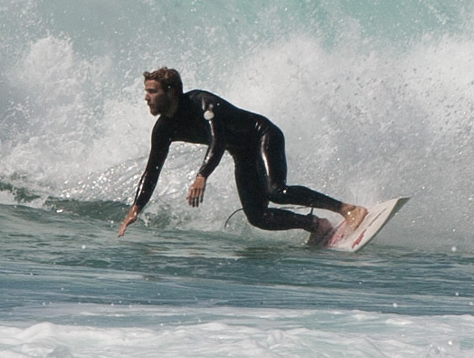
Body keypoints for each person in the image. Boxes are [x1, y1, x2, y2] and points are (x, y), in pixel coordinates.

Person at [117, 67, 365, 241]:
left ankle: (347, 209)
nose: (146, 98)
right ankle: (315, 225)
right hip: (242, 154)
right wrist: (136, 207)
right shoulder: (163, 129)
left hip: (263, 135)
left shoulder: (202, 103)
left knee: (276, 191)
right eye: (147, 91)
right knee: (257, 217)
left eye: (152, 91)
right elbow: (152, 170)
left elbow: (217, 141)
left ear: (171, 92)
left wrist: (202, 175)